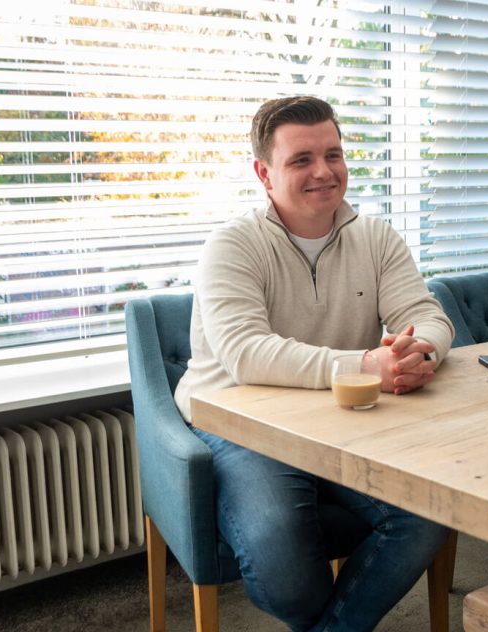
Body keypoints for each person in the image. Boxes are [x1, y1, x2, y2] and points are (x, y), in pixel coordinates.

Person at [173, 96, 454, 631]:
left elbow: (425, 315)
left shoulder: (375, 236)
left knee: (427, 511)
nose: (324, 171)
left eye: (334, 154)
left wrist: (421, 353)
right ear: (264, 172)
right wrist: (365, 364)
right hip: (240, 425)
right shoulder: (231, 245)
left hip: (342, 419)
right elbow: (246, 353)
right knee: (289, 580)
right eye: (301, 159)